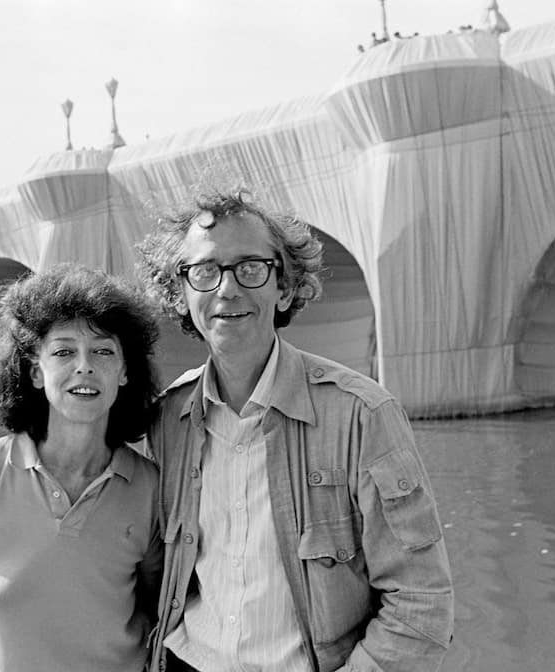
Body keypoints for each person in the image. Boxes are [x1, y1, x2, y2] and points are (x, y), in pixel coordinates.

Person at [137, 189, 454, 672]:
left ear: (284, 288)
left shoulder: (360, 415)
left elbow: (420, 600)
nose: (227, 289)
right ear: (181, 295)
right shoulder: (167, 420)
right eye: (204, 271)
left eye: (251, 268)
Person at [0, 264, 164, 672]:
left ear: (124, 373)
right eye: (64, 352)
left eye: (103, 351)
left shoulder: (150, 486)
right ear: (35, 371)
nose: (84, 366)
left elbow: (159, 617)